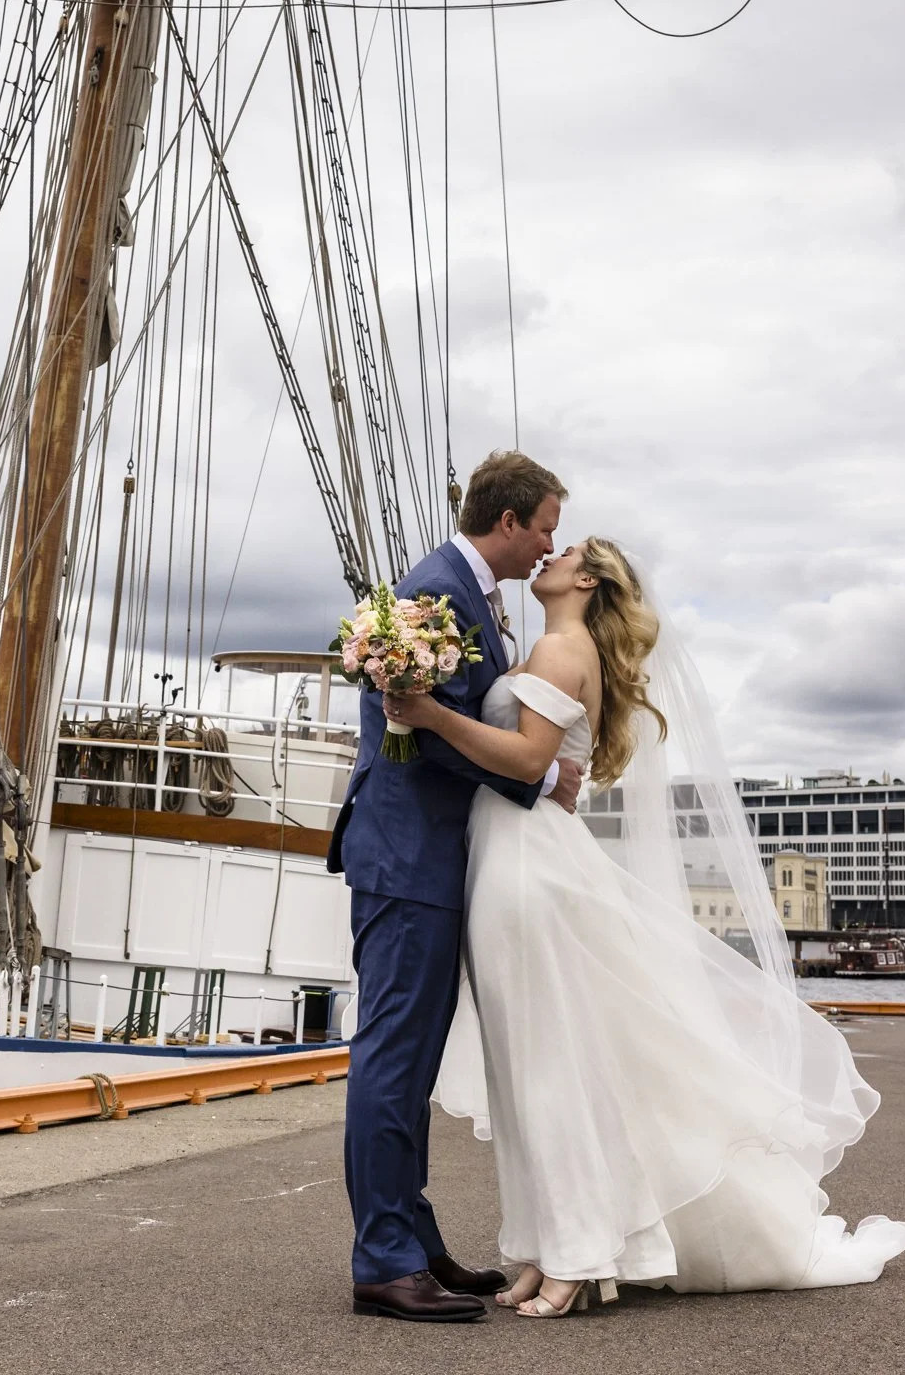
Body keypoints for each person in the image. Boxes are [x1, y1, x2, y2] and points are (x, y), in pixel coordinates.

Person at [398, 537, 905, 1314]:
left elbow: (527, 760)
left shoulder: (560, 648)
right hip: (513, 856)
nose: (551, 556)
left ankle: (577, 1254)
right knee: (528, 1069)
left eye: (568, 552)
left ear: (588, 580)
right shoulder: (552, 647)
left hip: (527, 865)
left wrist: (430, 715)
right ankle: (544, 1248)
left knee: (547, 1072)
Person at [326, 450, 585, 1323]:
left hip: (427, 857)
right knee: (393, 1057)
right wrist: (541, 780)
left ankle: (414, 1241)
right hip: (408, 856)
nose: (549, 542)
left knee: (412, 1060)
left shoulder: (462, 594)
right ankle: (384, 1261)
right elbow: (427, 730)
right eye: (545, 526)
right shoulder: (436, 594)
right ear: (508, 522)